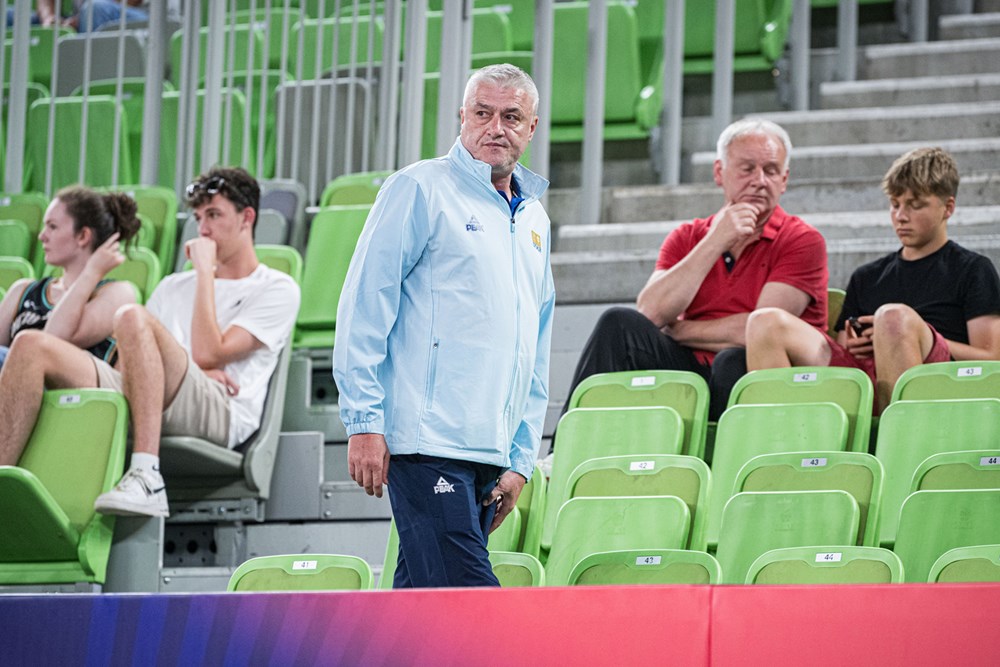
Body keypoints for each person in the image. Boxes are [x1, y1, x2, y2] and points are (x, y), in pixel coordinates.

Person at [333, 64, 555, 588]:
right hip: (424, 445)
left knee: (421, 609)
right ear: (462, 117)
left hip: (490, 453)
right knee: (473, 604)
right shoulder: (418, 188)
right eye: (482, 113)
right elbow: (365, 305)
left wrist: (520, 459)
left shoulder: (535, 220)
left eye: (511, 116)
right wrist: (363, 420)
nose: (495, 128)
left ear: (531, 127)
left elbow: (534, 347)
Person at [0, 167, 301, 518]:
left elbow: (209, 351)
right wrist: (186, 368)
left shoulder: (276, 287)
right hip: (158, 394)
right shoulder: (173, 286)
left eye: (214, 215)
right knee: (30, 345)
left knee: (131, 316)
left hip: (221, 409)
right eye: (198, 218)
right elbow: (134, 359)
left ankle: (146, 476)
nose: (203, 229)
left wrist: (205, 274)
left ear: (247, 218)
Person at [555, 119, 828, 436]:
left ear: (784, 180)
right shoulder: (687, 236)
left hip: (750, 370)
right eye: (747, 169)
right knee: (619, 323)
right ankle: (564, 447)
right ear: (719, 173)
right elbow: (651, 312)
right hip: (689, 365)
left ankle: (729, 456)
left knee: (731, 361)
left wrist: (680, 329)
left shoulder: (802, 240)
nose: (759, 181)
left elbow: (759, 331)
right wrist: (715, 240)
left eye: (771, 170)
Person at [746, 147, 1000, 413]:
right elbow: (843, 354)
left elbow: (992, 358)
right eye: (895, 204)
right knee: (764, 321)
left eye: (915, 205)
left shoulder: (972, 269)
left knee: (892, 318)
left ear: (948, 208)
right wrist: (859, 345)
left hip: (936, 377)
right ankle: (779, 433)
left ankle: (903, 431)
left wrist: (907, 335)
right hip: (866, 378)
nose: (901, 216)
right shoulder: (867, 276)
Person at [0, 186, 140, 371]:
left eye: (52, 227)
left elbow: (51, 341)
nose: (42, 236)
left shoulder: (117, 293)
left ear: (83, 236)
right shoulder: (22, 290)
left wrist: (92, 272)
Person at [8, 1, 180, 32]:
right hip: (82, 18)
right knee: (8, 16)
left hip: (148, 19)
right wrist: (49, 18)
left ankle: (85, 88)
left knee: (96, 10)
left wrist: (80, 19)